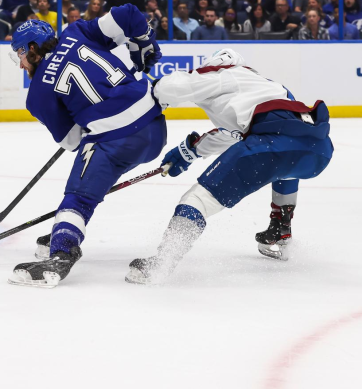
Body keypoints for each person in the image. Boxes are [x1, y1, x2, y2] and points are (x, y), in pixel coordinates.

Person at [125, 49, 334, 284]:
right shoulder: (270, 87)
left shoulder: (224, 74)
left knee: (197, 200)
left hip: (271, 146)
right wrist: (189, 151)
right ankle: (281, 229)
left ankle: (161, 263)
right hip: (319, 150)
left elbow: (168, 89)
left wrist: (148, 87)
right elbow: (236, 133)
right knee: (287, 163)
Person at [7, 7, 164, 288]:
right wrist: (144, 42)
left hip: (117, 139)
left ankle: (62, 250)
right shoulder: (77, 32)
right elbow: (129, 14)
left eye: (19, 55)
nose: (21, 65)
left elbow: (72, 141)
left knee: (79, 197)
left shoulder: (37, 96)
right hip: (154, 126)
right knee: (97, 165)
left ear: (32, 48)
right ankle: (65, 228)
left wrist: (82, 117)